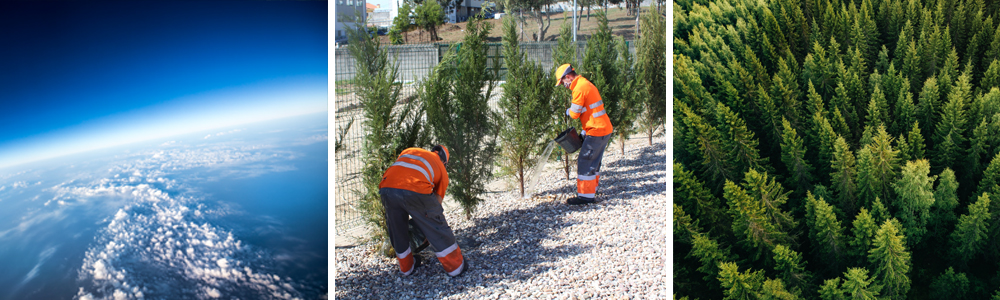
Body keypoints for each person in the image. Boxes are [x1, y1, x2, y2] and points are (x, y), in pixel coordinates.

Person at [378, 145, 468, 277]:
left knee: (397, 229)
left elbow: (401, 173)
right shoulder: (442, 169)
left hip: (387, 188)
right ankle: (456, 267)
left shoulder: (409, 151)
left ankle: (406, 268)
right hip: (415, 188)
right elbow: (434, 209)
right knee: (437, 225)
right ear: (445, 162)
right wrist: (426, 229)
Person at [555, 64, 614, 205]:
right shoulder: (584, 83)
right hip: (602, 128)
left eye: (563, 82)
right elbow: (591, 111)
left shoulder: (579, 88)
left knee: (585, 161)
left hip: (596, 130)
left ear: (568, 77)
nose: (564, 85)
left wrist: (568, 111)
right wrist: (584, 131)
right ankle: (592, 189)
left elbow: (575, 114)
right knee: (594, 162)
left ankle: (585, 197)